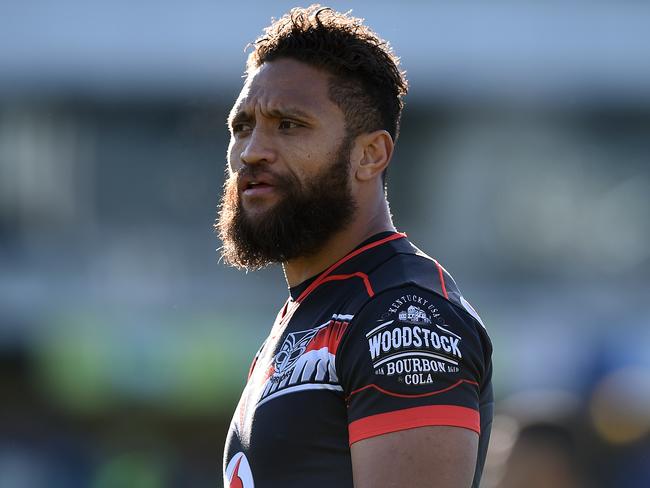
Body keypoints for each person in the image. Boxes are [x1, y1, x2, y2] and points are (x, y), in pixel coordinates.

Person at [216, 5, 493, 487]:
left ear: (371, 154)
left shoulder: (403, 315)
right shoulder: (312, 309)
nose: (251, 151)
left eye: (289, 125)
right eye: (242, 127)